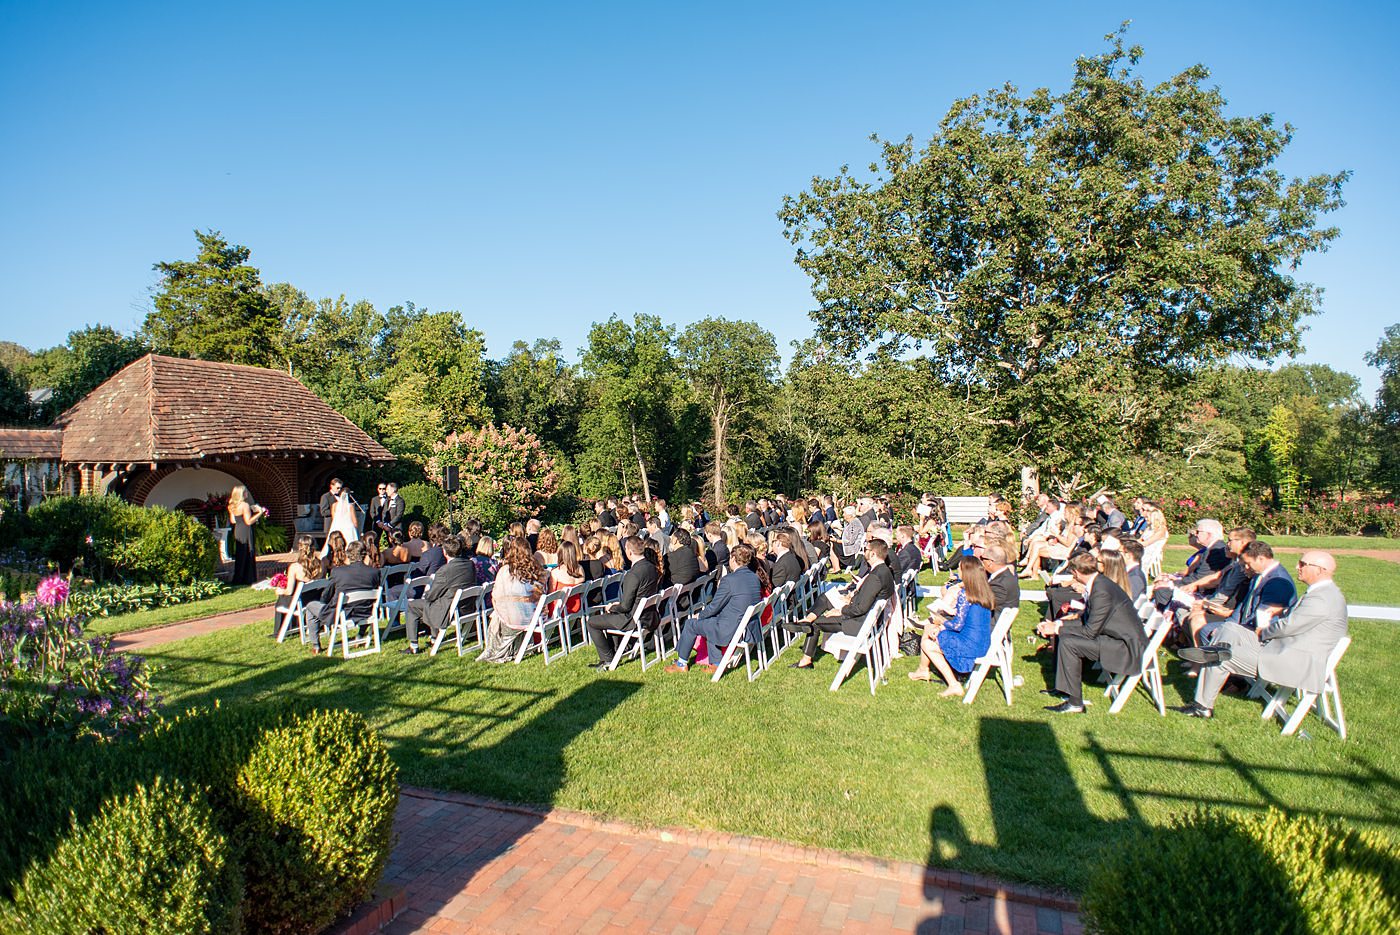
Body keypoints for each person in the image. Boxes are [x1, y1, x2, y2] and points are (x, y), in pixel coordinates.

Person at [1175, 551, 1347, 719]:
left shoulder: (1321, 598)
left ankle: (1203, 705)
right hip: (1284, 649)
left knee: (1221, 657)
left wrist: (1263, 631)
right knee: (1230, 629)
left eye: (1302, 564)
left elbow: (1288, 627)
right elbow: (1298, 621)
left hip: (1292, 661)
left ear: (1319, 570)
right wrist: (1282, 611)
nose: (1297, 567)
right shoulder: (1322, 593)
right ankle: (1214, 660)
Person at [1037, 552, 1146, 714]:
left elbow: (1089, 631)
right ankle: (1064, 689)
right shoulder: (1099, 584)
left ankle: (1075, 703)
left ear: (1077, 573)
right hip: (1114, 638)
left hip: (1125, 647)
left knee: (1069, 643)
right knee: (1064, 635)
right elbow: (1088, 620)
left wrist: (1058, 628)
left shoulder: (1101, 590)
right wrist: (1058, 624)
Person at [785, 538, 896, 669]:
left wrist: (841, 610)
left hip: (858, 623)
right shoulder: (885, 571)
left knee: (814, 624)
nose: (864, 552)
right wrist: (849, 600)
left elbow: (860, 609)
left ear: (873, 554)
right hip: (867, 618)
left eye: (866, 549)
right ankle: (807, 621)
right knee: (825, 601)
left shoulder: (875, 577)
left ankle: (805, 660)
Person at [666, 544, 763, 673]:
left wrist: (699, 616)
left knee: (690, 624)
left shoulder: (729, 580)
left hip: (730, 627)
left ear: (733, 559)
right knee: (710, 623)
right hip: (747, 626)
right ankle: (716, 663)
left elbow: (714, 606)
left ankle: (681, 663)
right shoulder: (754, 578)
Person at [908, 555, 994, 696]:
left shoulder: (965, 594)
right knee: (931, 629)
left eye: (959, 569)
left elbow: (958, 625)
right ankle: (922, 670)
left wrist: (941, 622)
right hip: (982, 642)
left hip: (969, 645)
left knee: (928, 643)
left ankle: (953, 684)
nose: (957, 571)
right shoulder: (984, 592)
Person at [585, 537, 661, 668]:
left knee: (592, 622)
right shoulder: (652, 567)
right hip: (650, 615)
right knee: (610, 617)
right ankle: (616, 650)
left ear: (630, 552)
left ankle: (607, 659)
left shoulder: (633, 574)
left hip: (633, 618)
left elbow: (625, 606)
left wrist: (612, 607)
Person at [402, 537, 478, 654]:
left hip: (449, 610)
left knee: (412, 605)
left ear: (445, 552)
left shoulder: (445, 570)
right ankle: (433, 638)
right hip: (466, 606)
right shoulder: (470, 564)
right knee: (434, 602)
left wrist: (427, 594)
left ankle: (413, 646)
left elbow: (432, 595)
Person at [478, 536, 546, 663]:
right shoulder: (537, 569)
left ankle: (496, 650)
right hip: (535, 616)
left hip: (517, 619)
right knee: (502, 613)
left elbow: (496, 596)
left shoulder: (505, 571)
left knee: (497, 616)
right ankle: (515, 647)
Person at [309, 540, 381, 654]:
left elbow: (327, 593)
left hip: (341, 613)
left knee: (310, 606)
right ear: (364, 554)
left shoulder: (338, 571)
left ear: (348, 555)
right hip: (366, 611)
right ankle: (360, 635)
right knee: (363, 602)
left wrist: (324, 602)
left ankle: (316, 645)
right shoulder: (374, 572)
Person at [273, 533, 323, 636]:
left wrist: (280, 590)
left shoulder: (295, 567)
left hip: (301, 602)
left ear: (300, 547)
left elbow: (289, 591)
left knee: (282, 599)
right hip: (314, 599)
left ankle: (282, 630)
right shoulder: (320, 564)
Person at [226, 485, 267, 585]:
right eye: (245, 492)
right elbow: (248, 521)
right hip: (246, 530)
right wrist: (260, 513)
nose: (247, 494)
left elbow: (233, 520)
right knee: (248, 552)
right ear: (241, 494)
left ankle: (238, 577)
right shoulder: (244, 505)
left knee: (240, 553)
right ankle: (248, 578)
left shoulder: (231, 506)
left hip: (238, 530)